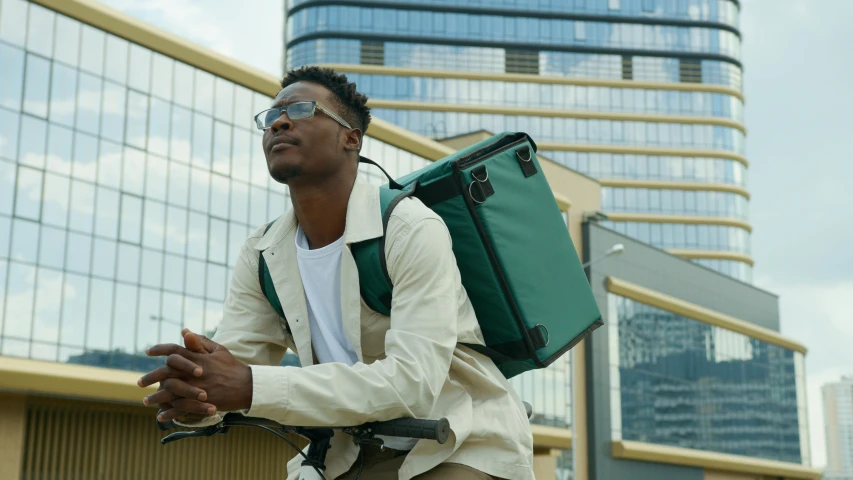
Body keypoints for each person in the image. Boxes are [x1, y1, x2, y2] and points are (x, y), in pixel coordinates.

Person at [137, 67, 534, 480]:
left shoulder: (410, 227)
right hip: (349, 448)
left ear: (351, 138)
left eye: (303, 109)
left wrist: (251, 386)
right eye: (271, 117)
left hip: (457, 440)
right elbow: (237, 366)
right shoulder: (262, 252)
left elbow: (411, 383)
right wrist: (197, 393)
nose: (280, 122)